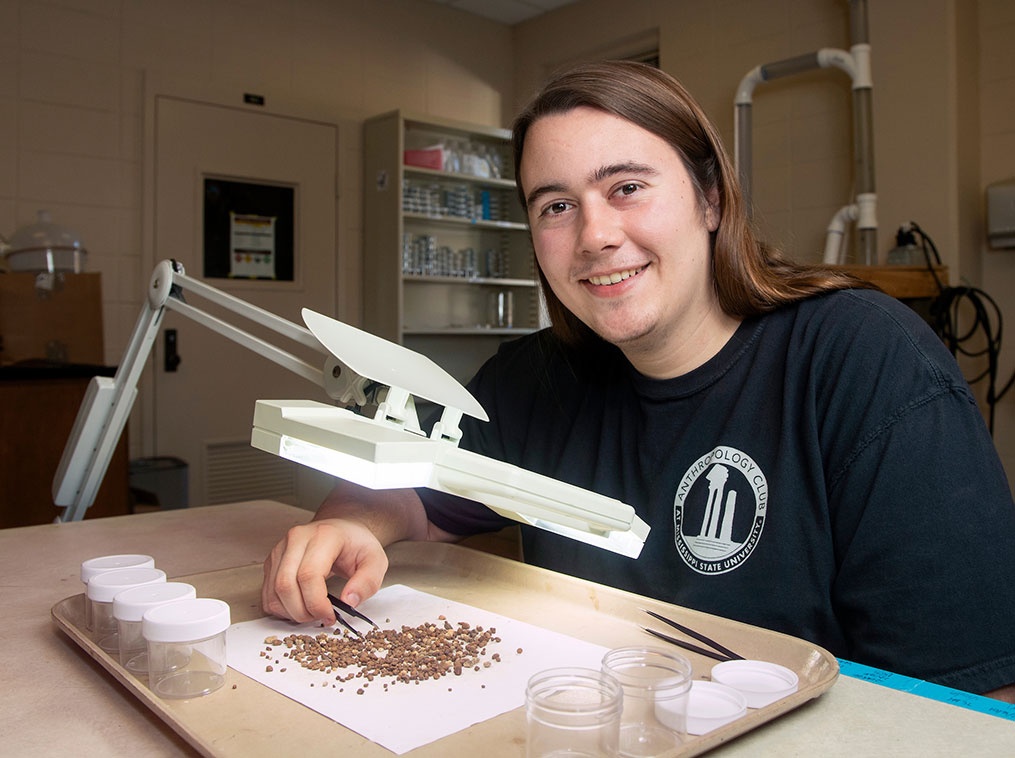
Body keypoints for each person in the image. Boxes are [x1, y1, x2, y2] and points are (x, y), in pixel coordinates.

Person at [262, 60, 1015, 700]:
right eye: (556, 206)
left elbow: (973, 700)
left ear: (711, 198)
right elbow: (409, 490)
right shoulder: (532, 382)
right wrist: (351, 524)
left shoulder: (862, 360)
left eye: (625, 187)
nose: (594, 236)